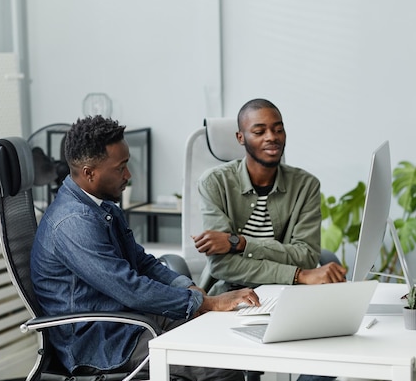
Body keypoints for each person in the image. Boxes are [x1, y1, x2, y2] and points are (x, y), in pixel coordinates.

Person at [30, 115, 259, 381]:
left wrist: (186, 288)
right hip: (103, 344)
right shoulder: (74, 223)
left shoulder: (101, 206)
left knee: (231, 337)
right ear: (89, 172)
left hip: (128, 321)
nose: (128, 175)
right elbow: (129, 288)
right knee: (222, 365)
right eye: (121, 168)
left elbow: (142, 262)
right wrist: (204, 302)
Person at [193, 98, 347, 294]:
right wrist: (298, 274)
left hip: (287, 293)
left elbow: (306, 256)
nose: (271, 137)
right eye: (259, 132)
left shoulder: (306, 185)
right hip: (229, 295)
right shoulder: (214, 183)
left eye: (278, 129)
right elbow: (223, 266)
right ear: (241, 137)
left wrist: (241, 243)